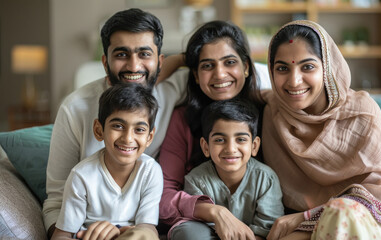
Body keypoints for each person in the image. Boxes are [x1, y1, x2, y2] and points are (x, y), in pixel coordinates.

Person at [262, 20, 381, 240]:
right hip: (308, 226)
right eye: (282, 68)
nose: (294, 81)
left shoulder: (361, 113)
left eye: (307, 66)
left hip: (367, 218)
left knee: (341, 214)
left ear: (327, 68)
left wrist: (308, 216)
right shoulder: (274, 113)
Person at [43, 8, 188, 239]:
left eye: (144, 54)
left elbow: (228, 74)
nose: (133, 66)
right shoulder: (75, 108)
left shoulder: (171, 91)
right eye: (121, 54)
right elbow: (56, 199)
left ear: (160, 61)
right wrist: (80, 233)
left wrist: (268, 98)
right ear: (105, 61)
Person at [158, 20, 271, 240]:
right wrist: (215, 211)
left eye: (229, 62)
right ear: (196, 75)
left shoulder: (267, 111)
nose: (220, 74)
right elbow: (163, 196)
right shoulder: (182, 119)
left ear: (246, 67)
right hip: (199, 223)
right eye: (207, 65)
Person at [53, 83, 162, 240]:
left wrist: (121, 232)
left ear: (149, 137)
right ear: (99, 130)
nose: (128, 138)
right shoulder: (81, 176)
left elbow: (148, 228)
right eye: (118, 126)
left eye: (139, 130)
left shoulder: (151, 171)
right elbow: (61, 235)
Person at [183, 99, 284, 240]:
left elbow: (267, 230)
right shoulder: (196, 180)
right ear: (206, 147)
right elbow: (198, 227)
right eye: (219, 140)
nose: (230, 149)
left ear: (254, 146)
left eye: (241, 139)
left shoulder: (266, 179)